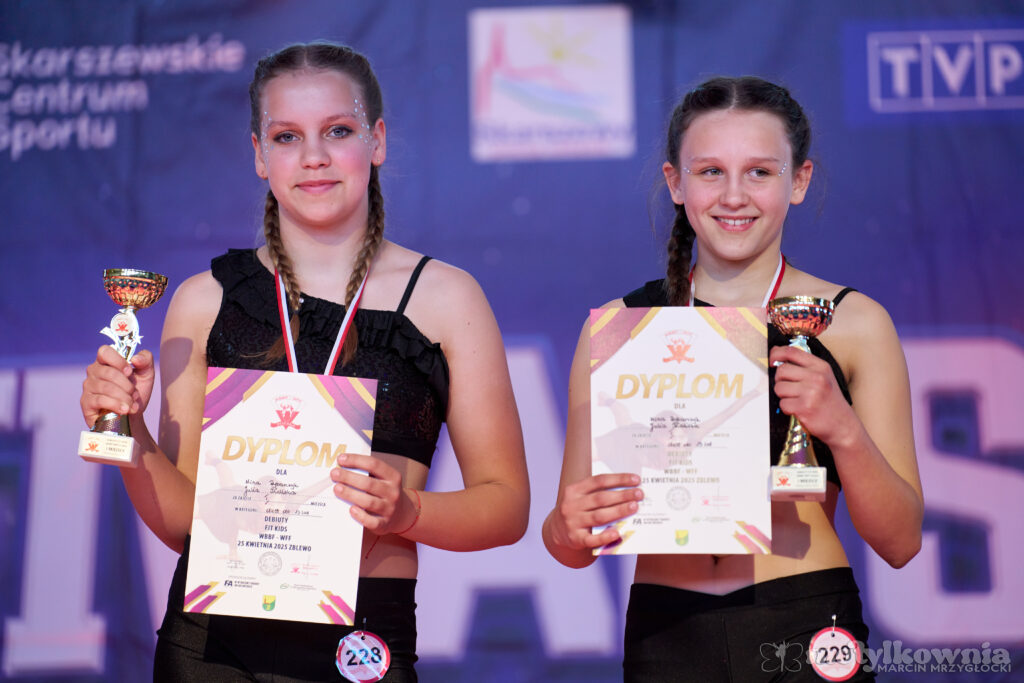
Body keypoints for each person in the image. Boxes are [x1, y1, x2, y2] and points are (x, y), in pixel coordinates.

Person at [80, 41, 529, 682]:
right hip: (209, 646)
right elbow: (183, 523)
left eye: (337, 131)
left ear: (376, 140)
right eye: (287, 136)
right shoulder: (205, 301)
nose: (313, 156)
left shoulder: (446, 299)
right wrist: (126, 429)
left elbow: (507, 507)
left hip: (362, 643)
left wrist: (409, 511)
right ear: (259, 155)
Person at [542, 76, 923, 681]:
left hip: (804, 624)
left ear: (799, 181)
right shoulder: (619, 329)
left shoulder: (853, 323)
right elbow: (570, 546)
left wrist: (844, 430)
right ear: (676, 183)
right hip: (665, 635)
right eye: (711, 171)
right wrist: (566, 528)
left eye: (760, 172)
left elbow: (901, 543)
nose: (734, 195)